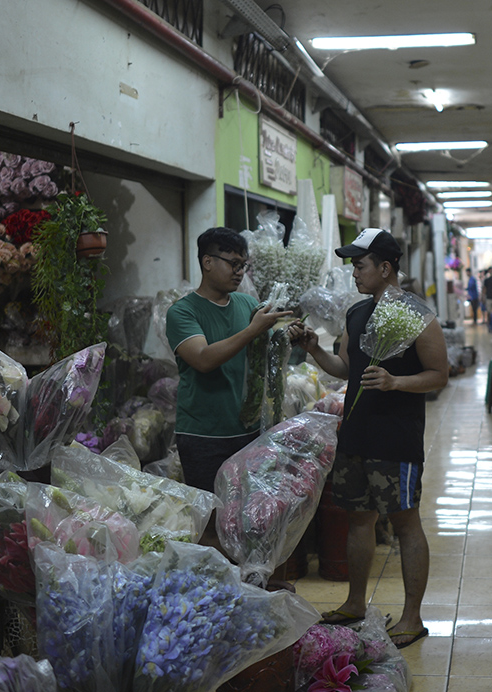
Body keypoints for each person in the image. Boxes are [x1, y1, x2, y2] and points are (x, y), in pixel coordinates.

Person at [290, 228, 448, 649]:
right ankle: (356, 603)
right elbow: (346, 368)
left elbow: (439, 374)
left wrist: (396, 382)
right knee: (358, 518)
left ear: (385, 267)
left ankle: (412, 618)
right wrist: (314, 350)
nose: (354, 273)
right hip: (356, 433)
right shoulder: (357, 313)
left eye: (360, 265)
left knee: (405, 522)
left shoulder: (418, 315)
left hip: (396, 438)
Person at [166, 227, 294, 493]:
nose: (239, 272)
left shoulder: (247, 304)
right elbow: (202, 359)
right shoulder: (182, 312)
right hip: (204, 435)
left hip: (248, 431)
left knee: (245, 518)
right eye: (233, 264)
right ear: (207, 262)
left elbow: (267, 352)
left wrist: (291, 336)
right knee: (212, 520)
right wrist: (251, 331)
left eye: (243, 265)